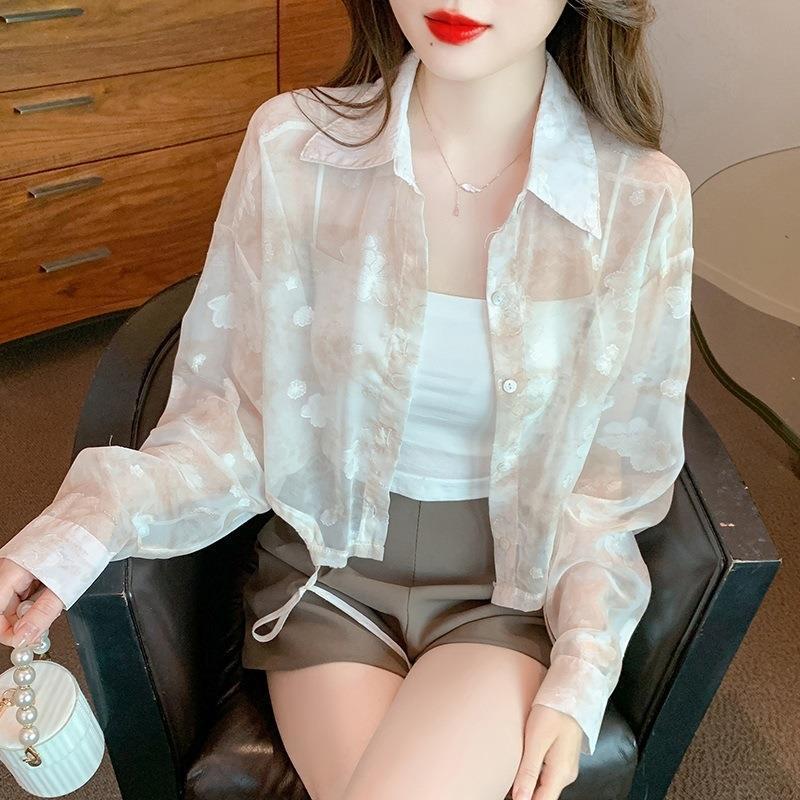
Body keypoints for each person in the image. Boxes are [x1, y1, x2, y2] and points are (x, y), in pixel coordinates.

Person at [0, 1, 695, 798]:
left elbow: (608, 493)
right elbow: (236, 420)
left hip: (511, 589)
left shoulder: (639, 198)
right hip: (328, 574)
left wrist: (581, 672)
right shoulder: (294, 145)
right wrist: (80, 530)